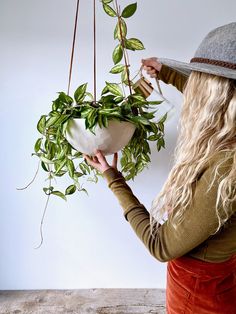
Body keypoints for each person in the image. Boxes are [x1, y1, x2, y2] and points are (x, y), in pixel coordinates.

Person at [83, 22, 236, 313]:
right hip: (221, 274)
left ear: (218, 95)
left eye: (201, 81)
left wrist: (114, 180)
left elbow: (161, 246)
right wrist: (166, 73)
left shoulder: (226, 167)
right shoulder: (229, 128)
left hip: (199, 292)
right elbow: (211, 94)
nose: (195, 89)